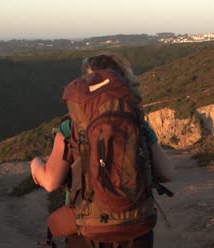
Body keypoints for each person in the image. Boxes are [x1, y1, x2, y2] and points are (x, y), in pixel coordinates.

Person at [30, 53, 174, 248]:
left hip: (88, 228)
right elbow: (167, 173)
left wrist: (35, 164)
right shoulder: (137, 123)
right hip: (136, 225)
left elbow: (50, 182)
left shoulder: (71, 127)